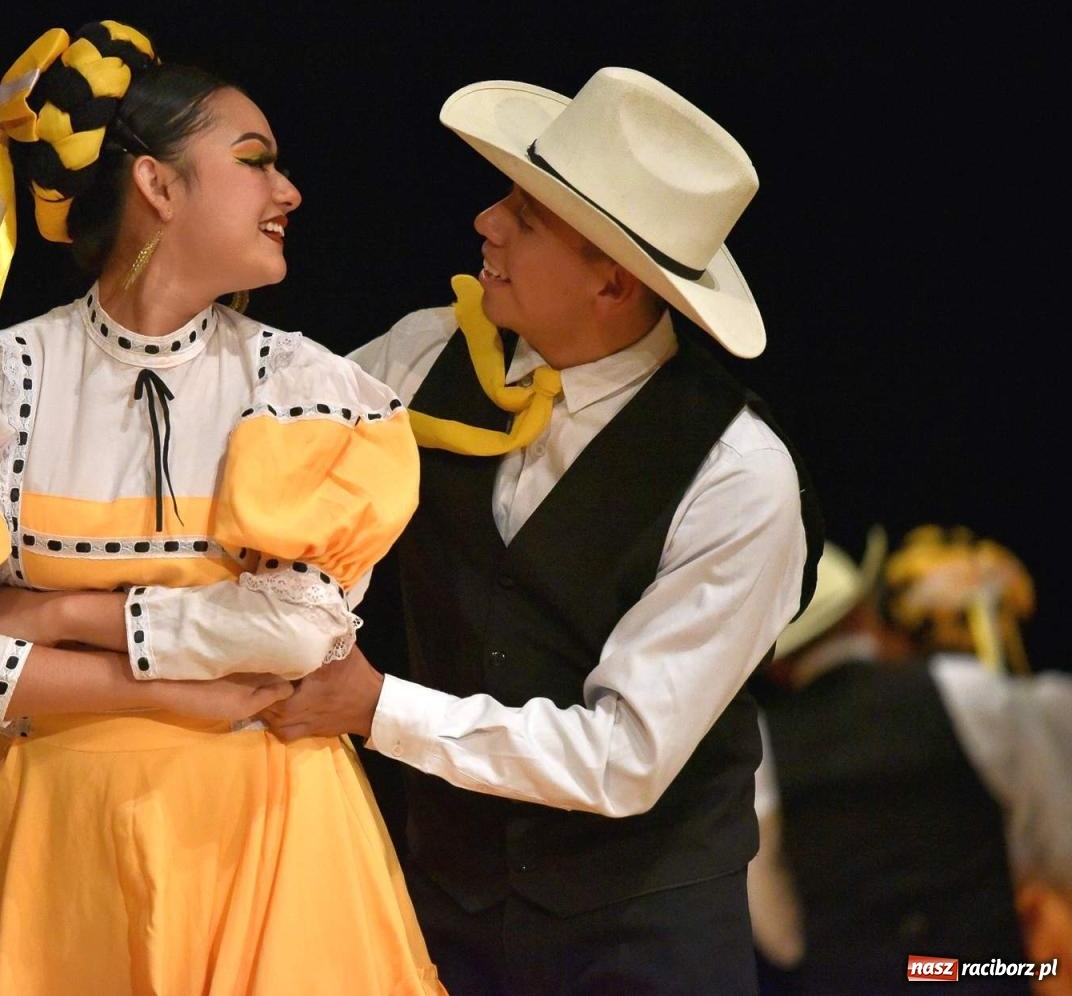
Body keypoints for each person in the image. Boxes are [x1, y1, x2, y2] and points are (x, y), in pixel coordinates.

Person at [0, 21, 441, 994]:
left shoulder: (307, 388)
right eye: (255, 162)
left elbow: (294, 630)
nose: (288, 191)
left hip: (269, 831)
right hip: (59, 848)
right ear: (157, 184)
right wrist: (166, 691)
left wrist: (58, 616)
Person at [261, 68, 823, 994]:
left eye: (524, 213)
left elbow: (625, 758)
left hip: (640, 944)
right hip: (436, 916)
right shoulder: (427, 352)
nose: (486, 221)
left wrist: (377, 706)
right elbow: (251, 458)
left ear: (611, 281)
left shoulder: (740, 479)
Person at [751, 527, 1072, 994]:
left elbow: (783, 938)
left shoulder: (760, 759)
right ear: (863, 613)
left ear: (774, 664)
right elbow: (1054, 843)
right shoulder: (967, 691)